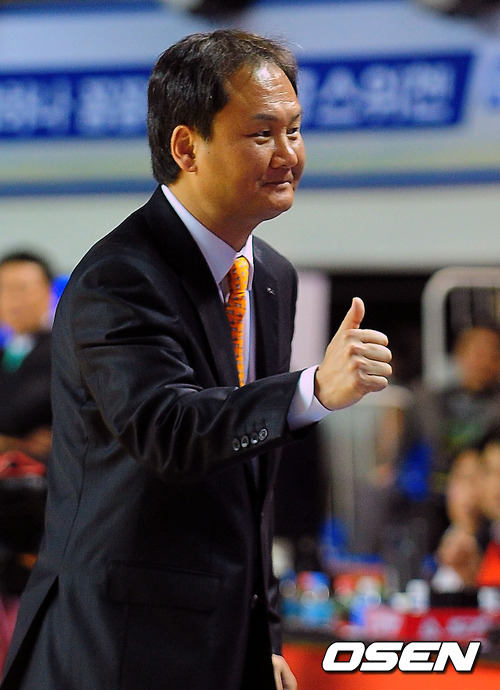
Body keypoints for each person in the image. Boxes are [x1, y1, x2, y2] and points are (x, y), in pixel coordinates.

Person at [0, 30, 392, 690]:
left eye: (295, 130)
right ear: (186, 147)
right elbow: (170, 431)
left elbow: (246, 487)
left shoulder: (271, 276)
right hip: (113, 648)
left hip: (220, 644)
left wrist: (261, 637)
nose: (288, 154)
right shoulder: (118, 277)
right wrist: (313, 391)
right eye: (262, 134)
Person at [0, 252, 53, 672]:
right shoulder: (6, 354)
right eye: (4, 289)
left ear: (47, 293)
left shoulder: (59, 351)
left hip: (36, 517)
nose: (13, 299)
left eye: (22, 288)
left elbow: (17, 411)